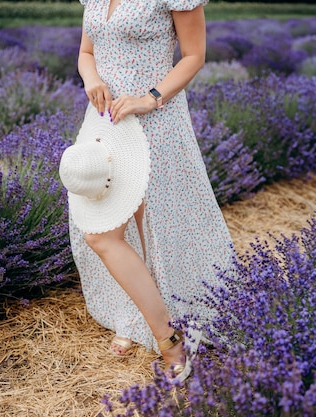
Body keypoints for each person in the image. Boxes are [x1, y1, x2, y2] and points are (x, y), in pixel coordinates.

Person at [68, 0, 235, 382]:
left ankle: (167, 337)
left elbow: (194, 55)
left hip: (155, 120)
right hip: (106, 120)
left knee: (150, 227)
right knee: (104, 230)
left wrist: (150, 98)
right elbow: (86, 52)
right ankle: (139, 317)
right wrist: (91, 80)